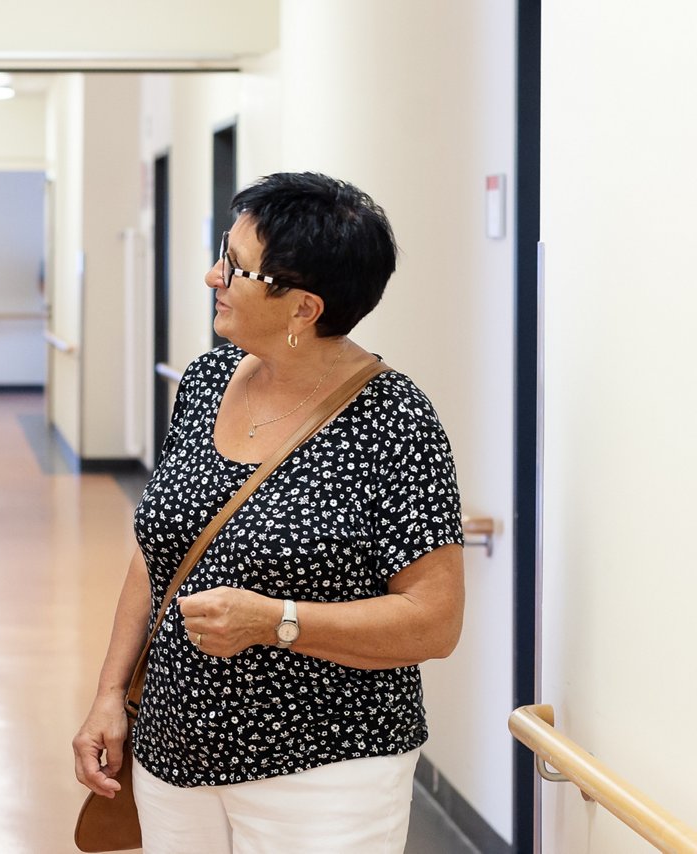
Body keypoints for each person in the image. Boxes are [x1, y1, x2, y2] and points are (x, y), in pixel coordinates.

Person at [72, 172, 465, 853]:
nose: (212, 276)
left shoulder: (395, 421)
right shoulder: (205, 382)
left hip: (325, 769)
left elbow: (434, 621)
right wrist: (110, 692)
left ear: (304, 308)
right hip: (174, 749)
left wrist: (275, 621)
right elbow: (157, 552)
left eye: (234, 266)